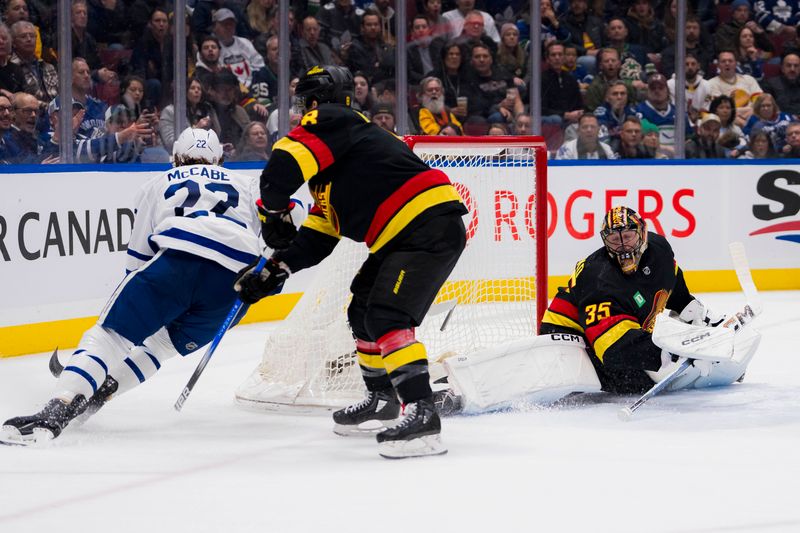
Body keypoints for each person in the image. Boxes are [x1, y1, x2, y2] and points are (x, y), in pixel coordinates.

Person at [233, 65, 468, 459]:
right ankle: (382, 399)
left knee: (387, 315)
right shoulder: (335, 163)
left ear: (313, 103)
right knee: (362, 310)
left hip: (425, 228)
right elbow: (317, 239)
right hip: (408, 232)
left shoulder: (332, 119)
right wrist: (277, 268)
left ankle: (423, 414)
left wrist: (272, 214)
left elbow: (279, 171)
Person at [0, 128, 289, 445]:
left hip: (178, 260)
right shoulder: (246, 184)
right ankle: (106, 388)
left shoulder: (158, 183)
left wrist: (134, 311)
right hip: (235, 284)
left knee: (109, 337)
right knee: (160, 346)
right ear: (221, 157)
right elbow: (277, 237)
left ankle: (58, 409)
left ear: (176, 157)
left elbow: (138, 259)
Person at [539, 205, 757, 394]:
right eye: (614, 240)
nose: (623, 246)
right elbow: (613, 349)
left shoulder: (659, 249)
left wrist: (688, 307)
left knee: (654, 360)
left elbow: (670, 280)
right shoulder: (600, 278)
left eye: (628, 236)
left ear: (643, 232)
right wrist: (673, 354)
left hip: (610, 334)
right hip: (567, 340)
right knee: (636, 381)